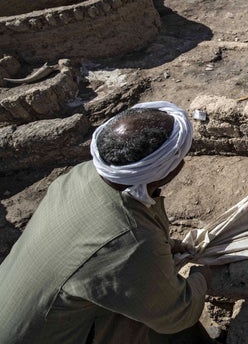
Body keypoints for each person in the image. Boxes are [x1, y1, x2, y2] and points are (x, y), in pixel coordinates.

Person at [0, 102, 214, 344]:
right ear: (169, 170)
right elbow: (179, 313)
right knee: (161, 315)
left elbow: (93, 248)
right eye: (181, 156)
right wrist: (201, 277)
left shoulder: (82, 175)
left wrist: (165, 245)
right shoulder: (131, 241)